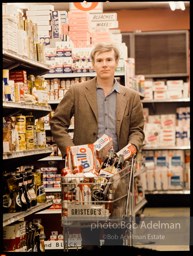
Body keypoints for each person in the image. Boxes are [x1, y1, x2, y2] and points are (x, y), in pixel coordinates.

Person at [50, 42, 145, 249]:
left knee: (115, 229)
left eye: (109, 60)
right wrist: (71, 151)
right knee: (89, 231)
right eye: (100, 60)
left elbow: (137, 130)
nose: (104, 64)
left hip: (117, 169)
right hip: (86, 171)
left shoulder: (131, 97)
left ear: (116, 63)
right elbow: (57, 122)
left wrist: (131, 148)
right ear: (93, 63)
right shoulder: (77, 91)